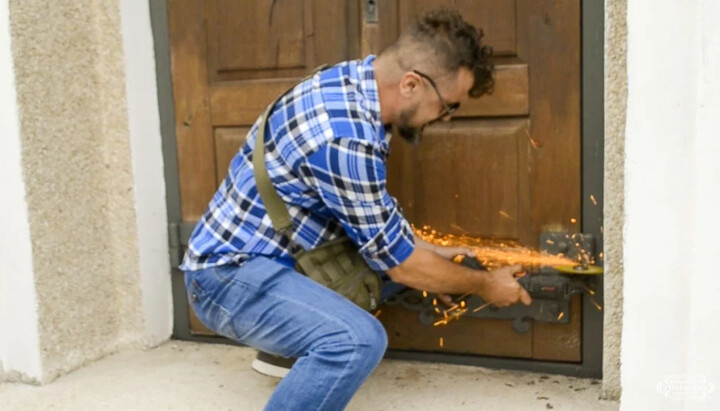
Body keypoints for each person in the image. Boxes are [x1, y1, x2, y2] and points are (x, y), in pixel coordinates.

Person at [180, 8, 532, 410]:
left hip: (276, 255)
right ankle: (300, 340)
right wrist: (485, 285)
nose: (447, 119)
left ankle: (290, 342)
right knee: (356, 341)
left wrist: (428, 255)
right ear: (412, 84)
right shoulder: (345, 136)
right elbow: (401, 264)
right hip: (227, 277)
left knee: (411, 264)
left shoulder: (355, 84)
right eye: (448, 106)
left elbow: (373, 211)